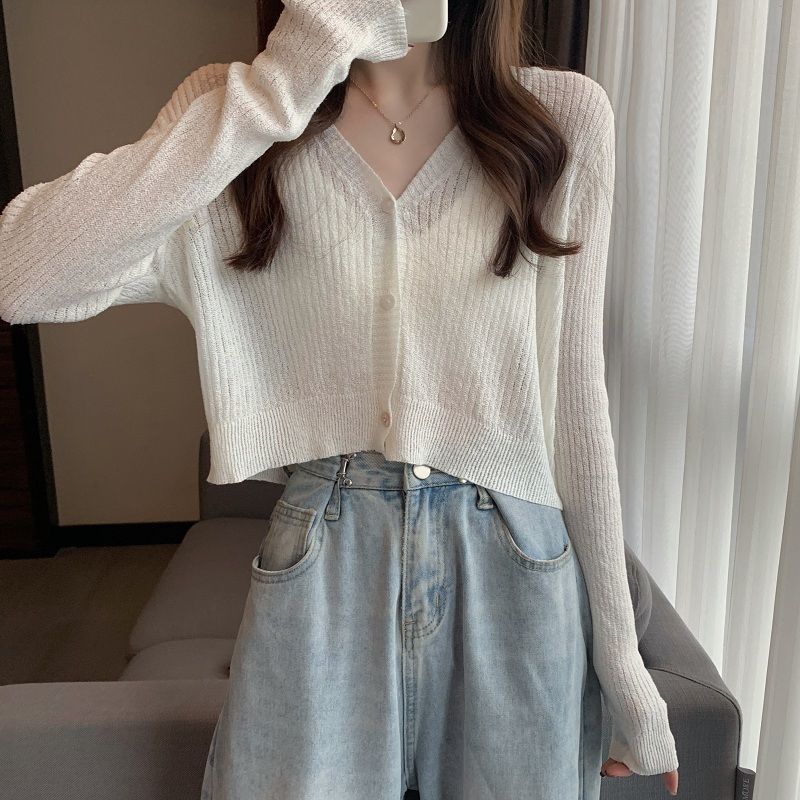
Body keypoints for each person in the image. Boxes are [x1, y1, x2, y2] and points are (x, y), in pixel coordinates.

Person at [0, 0, 680, 797]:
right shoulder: (233, 115)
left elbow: (577, 407)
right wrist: (281, 85)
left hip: (518, 565)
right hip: (324, 555)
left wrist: (624, 666)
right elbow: (23, 275)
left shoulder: (560, 117)